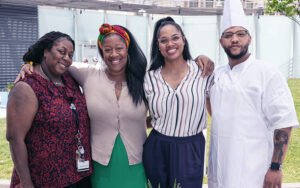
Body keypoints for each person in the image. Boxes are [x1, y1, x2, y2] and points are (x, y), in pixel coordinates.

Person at [17, 24, 214, 188]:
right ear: (101, 51)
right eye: (107, 49)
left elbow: (162, 108)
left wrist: (199, 59)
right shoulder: (87, 74)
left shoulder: (144, 79)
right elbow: (58, 61)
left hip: (137, 162)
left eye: (119, 48)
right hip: (100, 164)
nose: (114, 54)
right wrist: (31, 64)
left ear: (127, 49)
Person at [206, 0, 299, 187]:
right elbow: (214, 111)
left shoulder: (267, 73)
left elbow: (283, 123)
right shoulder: (217, 75)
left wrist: (276, 167)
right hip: (220, 168)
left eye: (240, 34)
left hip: (254, 172)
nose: (234, 39)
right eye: (228, 35)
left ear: (249, 39)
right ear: (221, 41)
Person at [6, 31, 92, 188]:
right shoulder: (27, 87)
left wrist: (28, 63)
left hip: (80, 175)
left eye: (70, 55)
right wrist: (26, 183)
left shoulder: (69, 78)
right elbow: (14, 138)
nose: (66, 58)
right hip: (46, 180)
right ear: (45, 51)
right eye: (61, 52)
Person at [143, 17, 214, 188]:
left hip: (191, 148)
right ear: (158, 46)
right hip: (157, 147)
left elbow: (217, 112)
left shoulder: (203, 72)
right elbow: (144, 117)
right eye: (163, 40)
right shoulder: (149, 77)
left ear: (183, 39)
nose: (170, 44)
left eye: (175, 37)